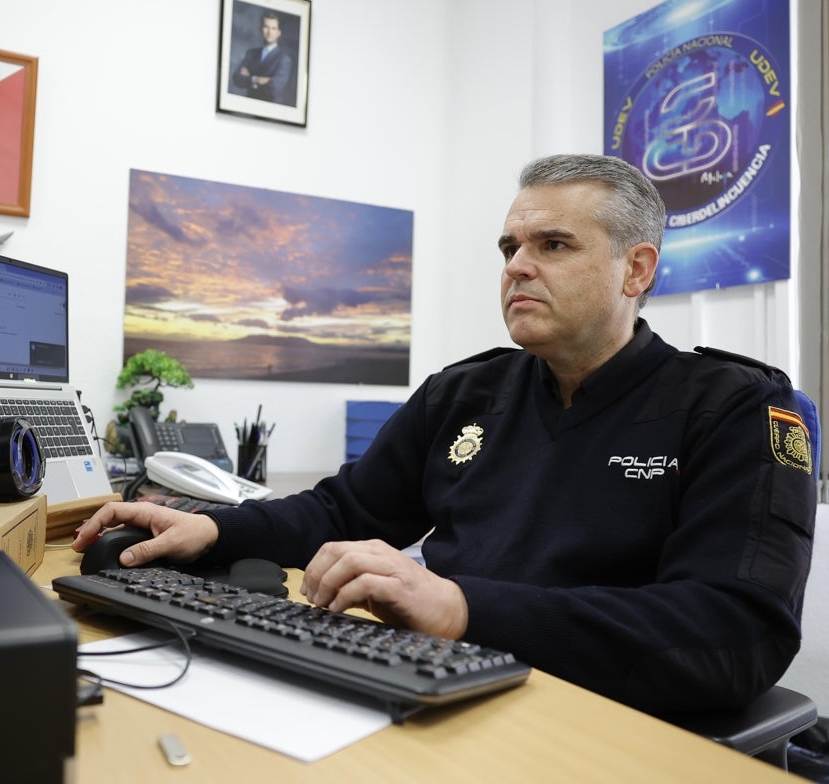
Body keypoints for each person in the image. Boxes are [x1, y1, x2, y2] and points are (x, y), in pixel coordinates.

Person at [74, 153, 817, 716]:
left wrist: (461, 607)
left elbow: (735, 629)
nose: (518, 267)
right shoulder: (467, 392)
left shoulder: (737, 409)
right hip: (439, 686)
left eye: (553, 245)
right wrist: (212, 531)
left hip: (591, 714)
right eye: (509, 248)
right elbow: (344, 512)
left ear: (636, 270)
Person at [232, 10, 293, 104]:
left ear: (278, 33)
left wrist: (250, 78)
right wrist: (257, 79)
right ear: (261, 29)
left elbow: (274, 88)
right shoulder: (251, 53)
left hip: (271, 108)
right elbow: (237, 78)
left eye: (273, 28)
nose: (269, 32)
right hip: (250, 105)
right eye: (266, 27)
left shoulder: (284, 59)